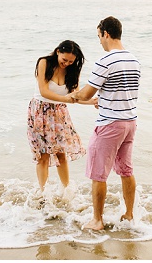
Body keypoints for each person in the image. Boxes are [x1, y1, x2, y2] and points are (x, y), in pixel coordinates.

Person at [71, 16, 141, 231]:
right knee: (126, 170)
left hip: (110, 124)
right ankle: (129, 215)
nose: (99, 41)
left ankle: (97, 221)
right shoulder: (133, 60)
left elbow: (87, 93)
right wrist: (104, 100)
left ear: (106, 34)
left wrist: (74, 96)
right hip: (129, 122)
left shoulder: (106, 60)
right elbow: (122, 90)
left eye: (99, 36)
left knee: (98, 173)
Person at [26, 40, 91, 200]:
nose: (66, 64)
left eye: (70, 61)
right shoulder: (44, 63)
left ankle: (66, 192)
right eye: (64, 60)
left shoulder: (72, 70)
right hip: (39, 112)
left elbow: (75, 96)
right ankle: (43, 194)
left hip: (59, 114)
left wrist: (91, 101)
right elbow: (44, 91)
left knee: (61, 153)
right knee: (43, 156)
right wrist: (66, 99)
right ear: (57, 52)